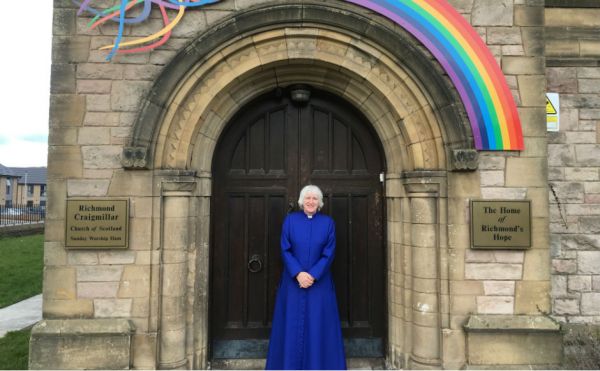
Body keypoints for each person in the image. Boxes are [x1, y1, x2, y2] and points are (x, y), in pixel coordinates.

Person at [266, 185, 346, 370]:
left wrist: (314, 274)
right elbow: (285, 248)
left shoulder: (328, 223)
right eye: (307, 198)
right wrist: (298, 273)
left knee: (318, 327)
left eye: (315, 199)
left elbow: (329, 252)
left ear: (320, 203)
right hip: (293, 284)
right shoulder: (290, 221)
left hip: (320, 284)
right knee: (291, 327)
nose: (311, 202)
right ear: (302, 201)